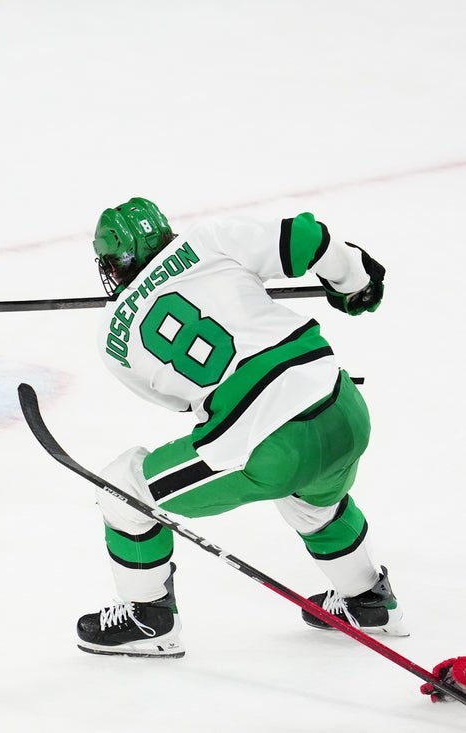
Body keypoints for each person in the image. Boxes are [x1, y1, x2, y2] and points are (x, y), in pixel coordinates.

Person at [79, 196, 400, 658]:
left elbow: (182, 401)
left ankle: (148, 620)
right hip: (343, 407)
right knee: (313, 504)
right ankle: (369, 600)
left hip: (270, 447)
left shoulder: (114, 336)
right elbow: (308, 237)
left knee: (122, 490)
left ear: (114, 263)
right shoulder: (208, 240)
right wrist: (354, 281)